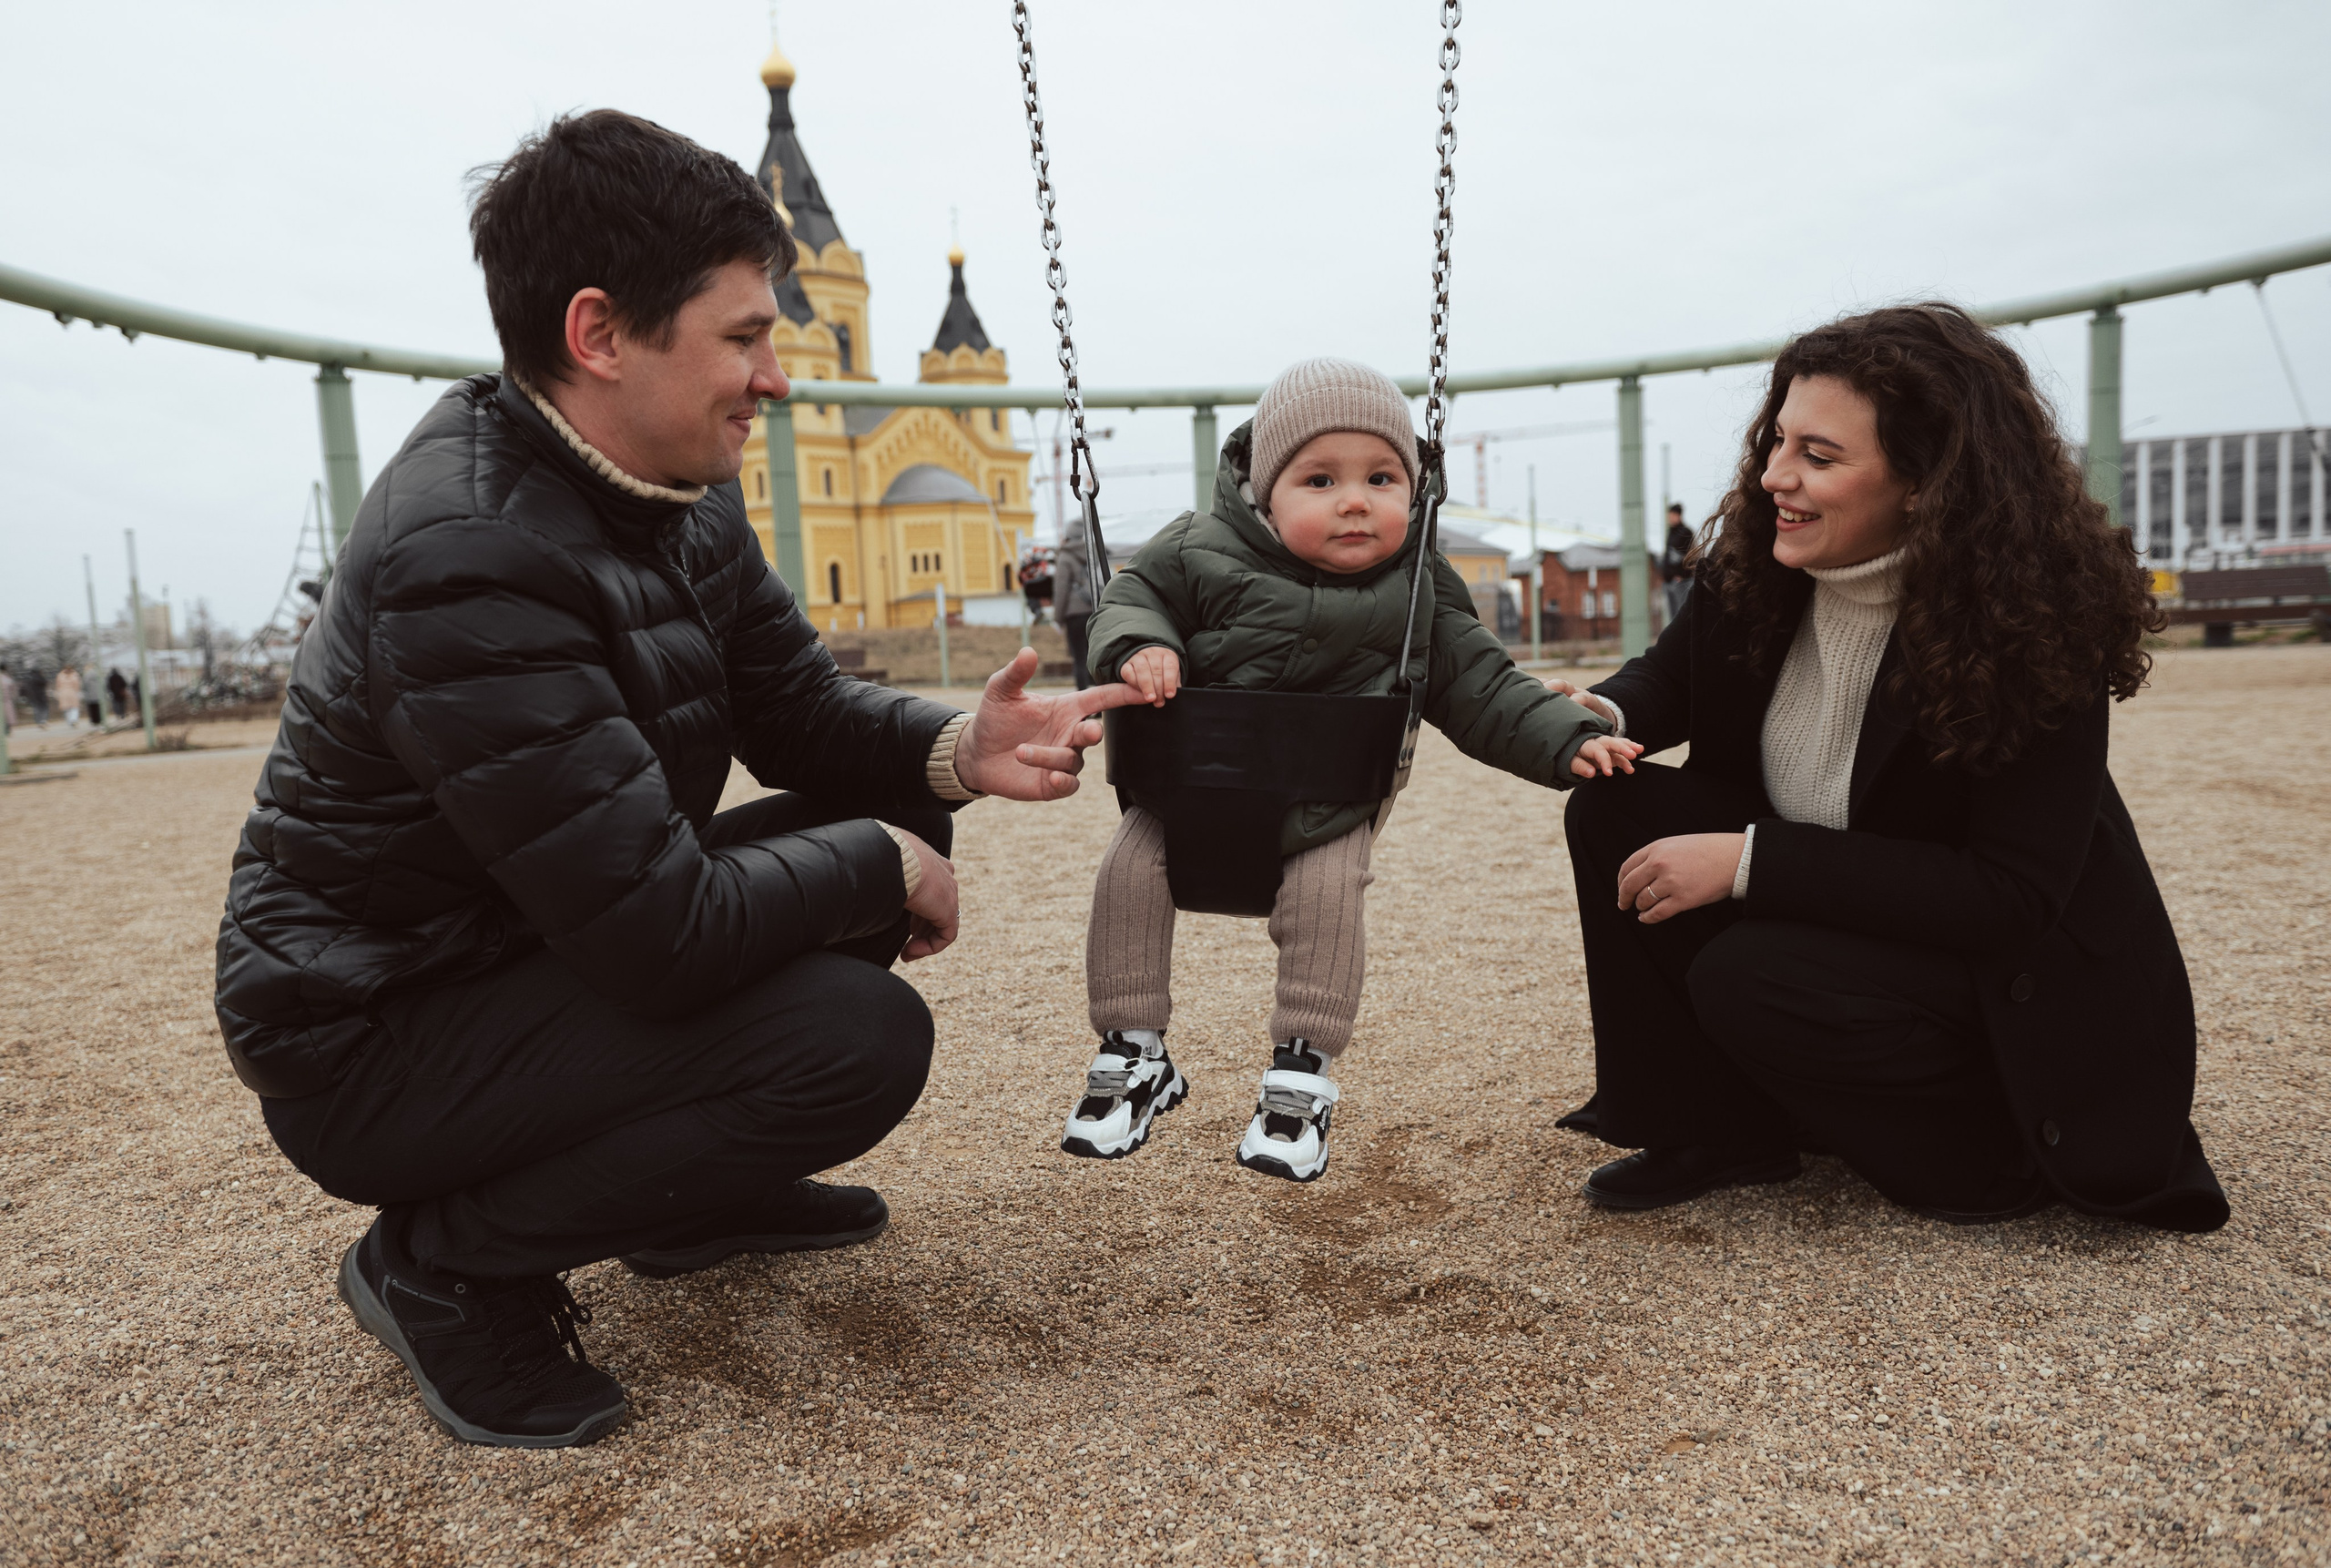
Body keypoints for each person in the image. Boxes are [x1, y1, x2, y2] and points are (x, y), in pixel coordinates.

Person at [213, 110, 1143, 1451]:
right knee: (855, 1038)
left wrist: (958, 750)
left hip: (530, 938)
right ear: (600, 335)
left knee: (881, 811)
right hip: (376, 1032)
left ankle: (684, 1196)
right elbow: (662, 937)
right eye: (745, 337)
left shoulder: (671, 483)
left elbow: (802, 709)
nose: (775, 377)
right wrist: (880, 862)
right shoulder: (467, 553)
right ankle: (446, 1264)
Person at [1546, 302, 2226, 1232]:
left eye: (1818, 458)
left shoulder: (2027, 627)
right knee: (1613, 806)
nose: (1774, 477)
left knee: (1752, 973)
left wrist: (1747, 861)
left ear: (1923, 482)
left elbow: (2009, 897)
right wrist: (1606, 712)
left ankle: (1979, 1157)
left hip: (2003, 982)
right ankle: (1714, 1128)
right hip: (1851, 912)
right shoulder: (1761, 555)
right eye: (1775, 441)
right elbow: (1674, 674)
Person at [1061, 359, 1639, 1180]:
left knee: (1329, 896)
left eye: (1382, 477)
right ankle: (1134, 1053)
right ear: (1264, 492)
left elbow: (1480, 681)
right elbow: (1128, 600)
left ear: (1415, 488)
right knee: (1128, 873)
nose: (1356, 500)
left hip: (1328, 799)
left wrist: (1563, 736)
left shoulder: (1417, 590)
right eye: (1321, 479)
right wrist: (1143, 647)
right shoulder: (1197, 547)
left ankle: (1300, 1078)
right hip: (1190, 788)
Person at [1052, 522, 1095, 688]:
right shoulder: (1091, 553)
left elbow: (1061, 590)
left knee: (1079, 658)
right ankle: (1100, 702)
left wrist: (1058, 619)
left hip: (1074, 615)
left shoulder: (1065, 557)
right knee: (1094, 656)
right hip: (1093, 611)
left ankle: (1084, 701)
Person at [1659, 501, 1695, 622]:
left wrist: (1683, 575)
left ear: (1678, 515)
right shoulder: (1671, 533)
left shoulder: (1686, 533)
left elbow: (1690, 556)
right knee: (1672, 616)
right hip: (1669, 581)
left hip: (1680, 581)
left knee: (1681, 614)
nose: (1670, 518)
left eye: (1672, 515)